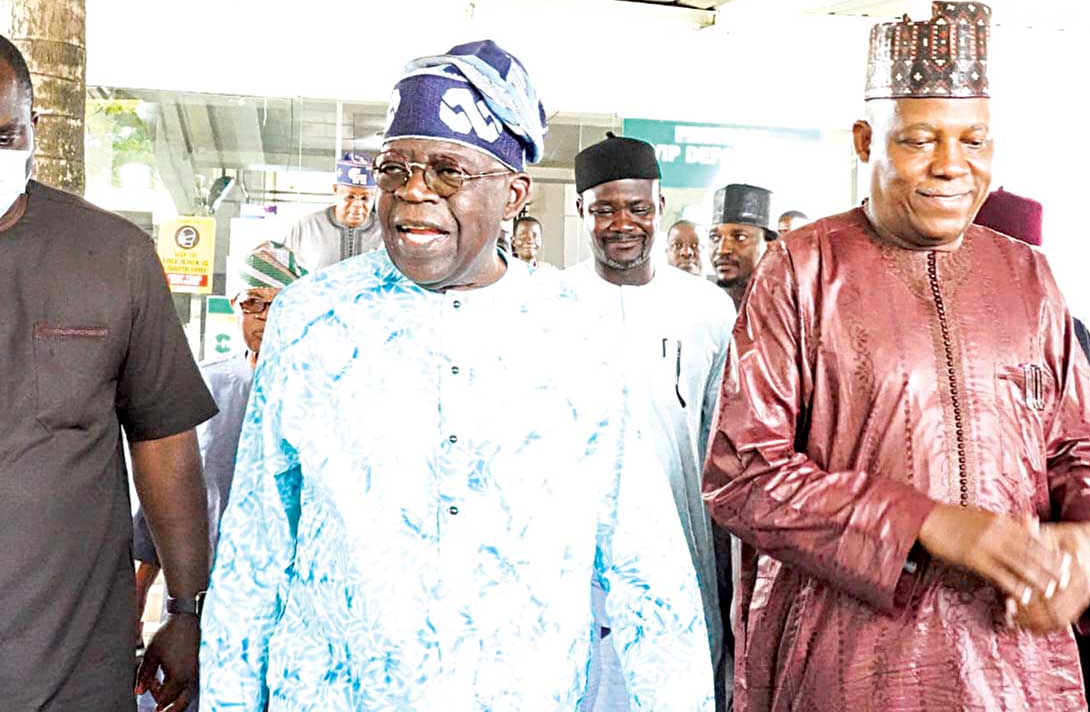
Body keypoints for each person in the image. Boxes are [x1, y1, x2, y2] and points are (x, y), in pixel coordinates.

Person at [199, 40, 714, 711]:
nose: (413, 192)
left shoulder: (576, 331)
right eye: (395, 169)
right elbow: (256, 545)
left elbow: (646, 565)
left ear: (513, 194)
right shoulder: (311, 318)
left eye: (448, 172)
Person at [703, 2, 1090, 711]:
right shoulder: (802, 270)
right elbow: (743, 474)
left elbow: (1083, 450)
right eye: (920, 139)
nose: (951, 166)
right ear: (866, 140)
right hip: (850, 667)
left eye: (973, 140)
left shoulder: (1027, 276)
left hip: (1016, 672)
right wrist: (929, 524)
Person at [0, 35, 216, 712]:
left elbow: (165, 442)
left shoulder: (113, 257)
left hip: (69, 671)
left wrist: (185, 609)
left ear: (34, 128)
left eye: (2, 135)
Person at [562, 134, 735, 711]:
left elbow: (720, 448)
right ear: (581, 209)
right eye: (604, 209)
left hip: (682, 549)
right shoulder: (549, 304)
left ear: (659, 206)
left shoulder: (708, 309)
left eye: (637, 208)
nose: (622, 224)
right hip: (574, 555)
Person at [975, 187, 1090, 712]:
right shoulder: (932, 338)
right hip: (977, 558)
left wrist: (1087, 538)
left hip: (1061, 555)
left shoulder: (1068, 332)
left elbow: (1088, 450)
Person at [132, 243, 308, 712]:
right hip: (202, 599)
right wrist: (139, 596)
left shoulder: (321, 392)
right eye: (253, 303)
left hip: (288, 602)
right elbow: (165, 500)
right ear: (235, 307)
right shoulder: (202, 386)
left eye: (279, 304)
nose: (265, 317)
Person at [284, 151, 383, 270]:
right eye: (350, 197)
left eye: (365, 198)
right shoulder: (307, 225)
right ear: (336, 190)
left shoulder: (384, 230)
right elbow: (282, 266)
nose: (357, 205)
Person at [708, 183, 774, 310]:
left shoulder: (791, 310)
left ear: (770, 244)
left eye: (739, 237)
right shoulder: (698, 305)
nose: (722, 250)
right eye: (715, 238)